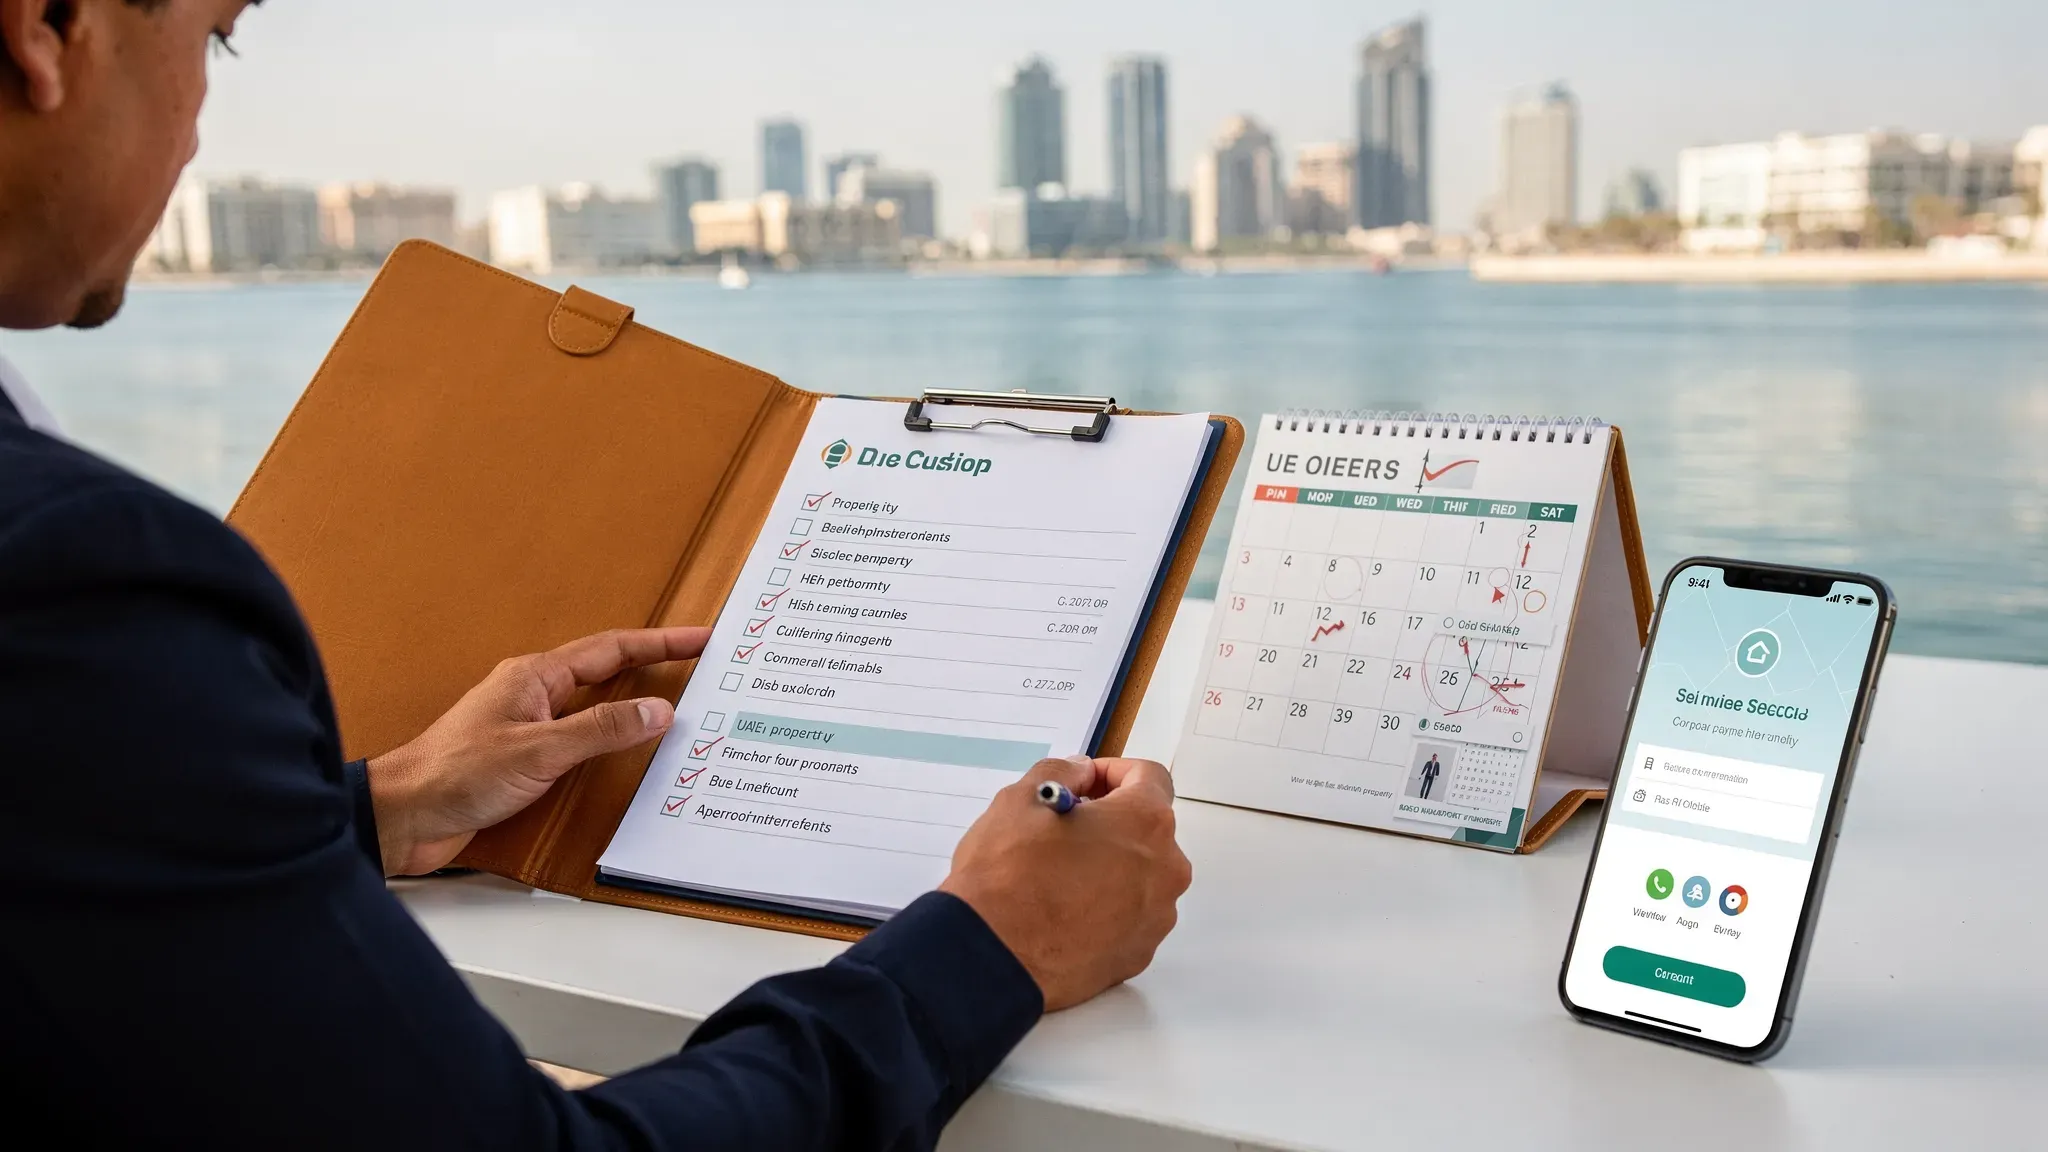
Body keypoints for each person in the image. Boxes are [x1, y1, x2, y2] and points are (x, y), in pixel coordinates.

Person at [0, 2, 1193, 1148]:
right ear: (44, 28)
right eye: (217, 37)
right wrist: (989, 947)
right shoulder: (79, 577)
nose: (203, 117)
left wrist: (374, 813)